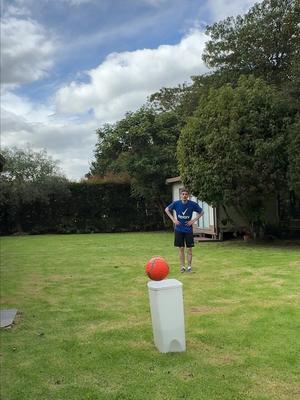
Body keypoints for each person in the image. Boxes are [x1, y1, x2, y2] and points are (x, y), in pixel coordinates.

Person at [165, 188, 203, 273]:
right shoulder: (176, 203)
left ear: (188, 196)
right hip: (179, 229)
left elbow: (201, 212)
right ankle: (182, 267)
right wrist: (173, 219)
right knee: (181, 248)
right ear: (180, 195)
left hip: (188, 230)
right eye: (183, 194)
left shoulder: (192, 204)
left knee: (189, 249)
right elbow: (167, 209)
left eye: (186, 194)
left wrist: (193, 220)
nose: (184, 196)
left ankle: (189, 267)